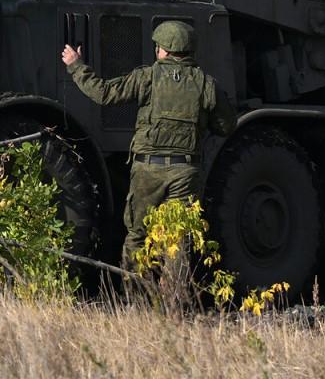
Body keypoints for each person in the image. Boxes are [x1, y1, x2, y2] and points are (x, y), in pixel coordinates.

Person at [60, 20, 234, 266]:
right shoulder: (207, 84)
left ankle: (137, 298)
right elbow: (226, 126)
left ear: (162, 50)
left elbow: (104, 93)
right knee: (177, 240)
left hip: (147, 171)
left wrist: (76, 66)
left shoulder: (147, 77)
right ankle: (174, 299)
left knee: (138, 237)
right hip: (185, 172)